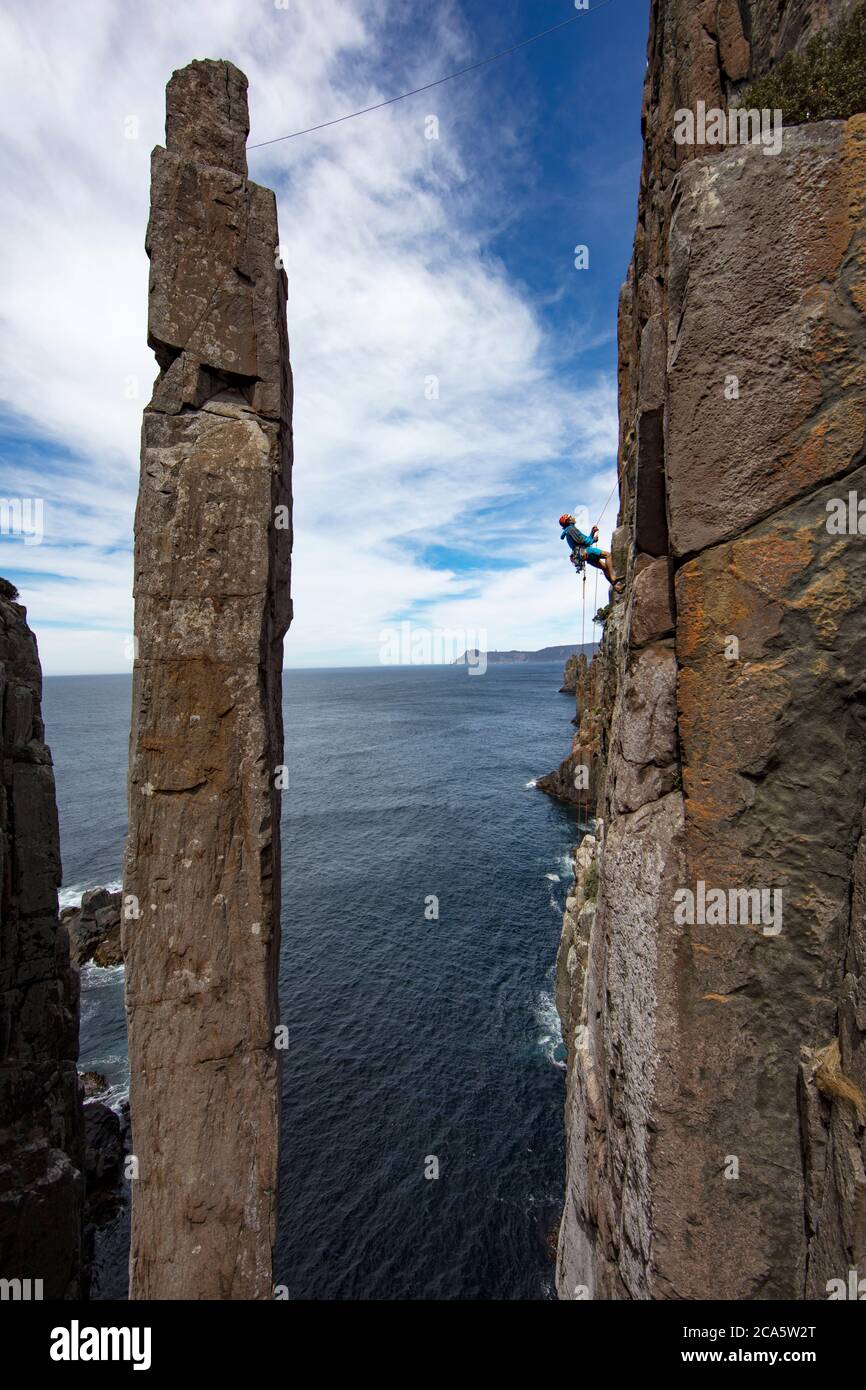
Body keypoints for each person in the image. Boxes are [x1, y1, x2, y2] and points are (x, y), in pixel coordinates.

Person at [558, 514, 622, 589]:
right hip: (585, 551)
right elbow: (582, 541)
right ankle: (613, 578)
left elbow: (584, 539)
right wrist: (593, 540)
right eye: (571, 517)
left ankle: (616, 586)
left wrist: (592, 533)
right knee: (607, 555)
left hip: (582, 554)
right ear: (568, 521)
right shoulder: (571, 529)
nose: (573, 518)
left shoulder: (569, 530)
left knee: (604, 567)